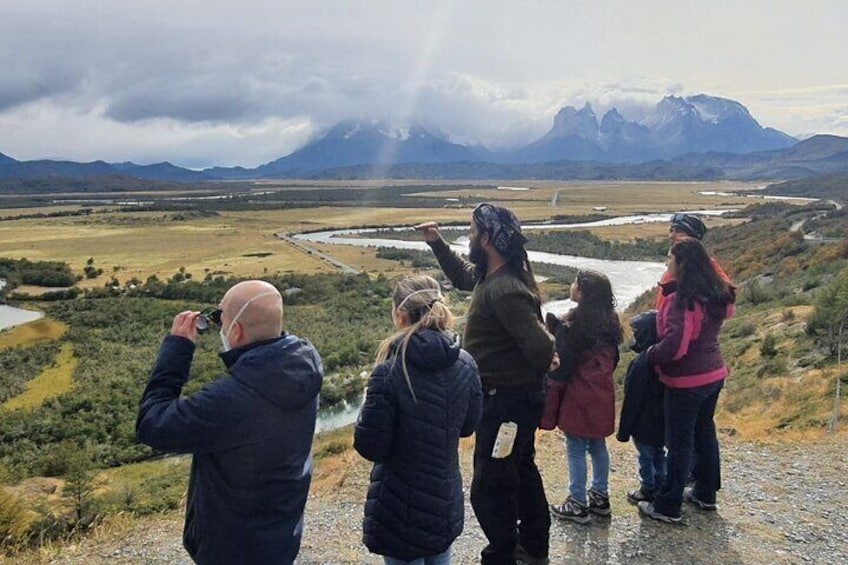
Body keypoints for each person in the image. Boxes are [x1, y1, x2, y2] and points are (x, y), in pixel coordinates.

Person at [136, 280, 324, 565]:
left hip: (231, 546)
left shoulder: (231, 399)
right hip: (281, 533)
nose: (220, 327)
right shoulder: (305, 365)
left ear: (235, 331)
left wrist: (177, 348)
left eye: (219, 318)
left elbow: (152, 424)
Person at [416, 203, 557, 565]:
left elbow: (541, 346)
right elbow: (464, 276)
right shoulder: (490, 276)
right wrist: (437, 243)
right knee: (520, 469)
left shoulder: (505, 289)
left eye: (473, 230)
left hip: (507, 405)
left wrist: (547, 360)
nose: (470, 235)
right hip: (509, 400)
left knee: (490, 486)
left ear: (489, 239)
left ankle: (502, 554)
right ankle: (533, 546)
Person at [354, 275, 483, 565]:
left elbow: (370, 447)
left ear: (400, 316)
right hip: (444, 499)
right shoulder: (465, 363)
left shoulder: (388, 372)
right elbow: (468, 427)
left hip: (397, 509)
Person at [638, 239, 736, 524]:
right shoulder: (714, 292)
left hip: (686, 381)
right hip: (714, 374)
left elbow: (675, 347)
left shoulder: (682, 298)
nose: (667, 263)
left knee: (678, 443)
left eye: (670, 258)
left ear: (682, 263)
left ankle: (668, 506)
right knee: (705, 434)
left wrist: (648, 356)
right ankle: (706, 493)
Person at [541, 270, 622, 524]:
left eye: (576, 283)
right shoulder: (611, 322)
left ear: (583, 292)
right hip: (602, 391)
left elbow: (563, 368)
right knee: (597, 444)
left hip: (579, 393)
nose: (572, 286)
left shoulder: (573, 327)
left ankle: (577, 501)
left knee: (576, 447)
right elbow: (614, 359)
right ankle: (600, 495)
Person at [616, 310, 666, 505]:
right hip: (663, 421)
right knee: (660, 453)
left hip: (644, 424)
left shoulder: (640, 363)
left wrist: (624, 431)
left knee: (646, 457)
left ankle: (648, 488)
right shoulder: (665, 358)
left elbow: (632, 400)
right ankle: (661, 484)